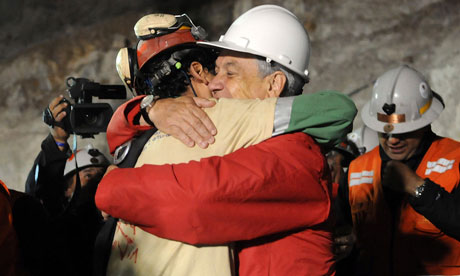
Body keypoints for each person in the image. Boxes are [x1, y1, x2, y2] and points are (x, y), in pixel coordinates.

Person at [97, 5, 357, 275]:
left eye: (230, 73)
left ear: (273, 85)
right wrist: (147, 109)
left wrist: (111, 187)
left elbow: (197, 202)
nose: (213, 83)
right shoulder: (239, 139)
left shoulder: (296, 155)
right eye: (217, 71)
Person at [342, 64, 460, 275]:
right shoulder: (357, 171)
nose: (392, 140)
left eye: (403, 132)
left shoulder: (455, 159)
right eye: (383, 133)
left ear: (425, 124)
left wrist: (419, 189)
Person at [23, 96, 110, 275]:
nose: (97, 181)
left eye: (102, 175)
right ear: (66, 188)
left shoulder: (117, 224)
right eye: (88, 175)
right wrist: (57, 141)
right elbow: (41, 195)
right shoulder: (61, 229)